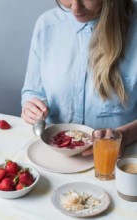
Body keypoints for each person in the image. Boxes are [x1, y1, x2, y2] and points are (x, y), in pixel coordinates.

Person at [21, 0, 137, 155]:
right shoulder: (47, 24)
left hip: (118, 159)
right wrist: (31, 108)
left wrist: (125, 135)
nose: (75, 8)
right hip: (52, 154)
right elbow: (32, 91)